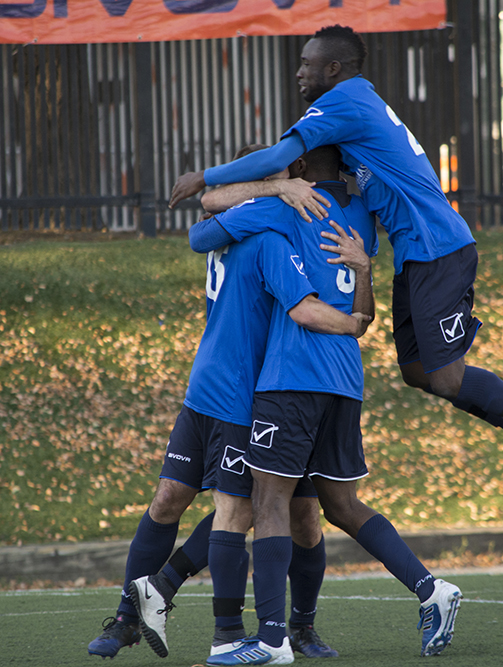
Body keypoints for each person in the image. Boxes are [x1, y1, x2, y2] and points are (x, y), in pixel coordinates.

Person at [170, 24, 503, 503]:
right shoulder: (354, 106)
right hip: (414, 253)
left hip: (438, 246)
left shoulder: (343, 101)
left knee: (447, 375)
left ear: (333, 68)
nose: (299, 72)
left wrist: (205, 175)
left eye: (307, 63)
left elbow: (284, 154)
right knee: (416, 372)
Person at [87, 145, 370, 661]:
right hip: (208, 388)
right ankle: (132, 616)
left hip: (256, 395)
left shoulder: (270, 225)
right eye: (275, 178)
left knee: (265, 512)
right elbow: (202, 229)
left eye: (283, 174)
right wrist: (358, 323)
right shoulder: (259, 219)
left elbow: (209, 222)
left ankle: (278, 630)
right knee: (173, 499)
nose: (292, 184)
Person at [191, 145, 463, 664]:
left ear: (297, 165)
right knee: (335, 507)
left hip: (290, 378)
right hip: (344, 381)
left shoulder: (289, 204)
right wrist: (364, 270)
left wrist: (271, 189)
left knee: (266, 504)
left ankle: (271, 641)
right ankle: (432, 590)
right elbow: (364, 321)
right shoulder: (360, 214)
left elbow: (202, 228)